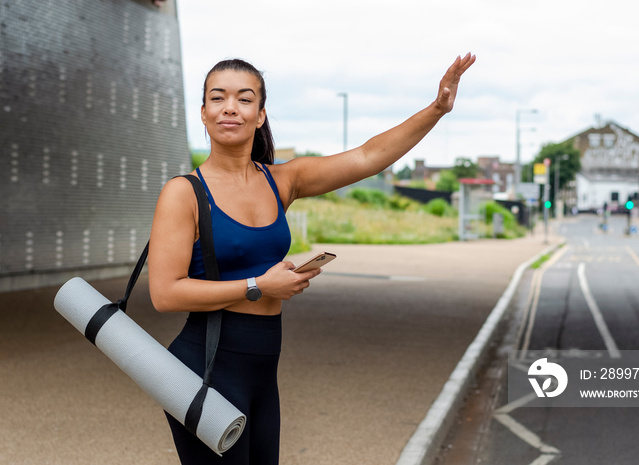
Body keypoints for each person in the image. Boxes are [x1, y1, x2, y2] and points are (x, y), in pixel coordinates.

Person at [148, 53, 476, 464]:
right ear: (203, 112)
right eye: (218, 98)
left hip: (263, 371)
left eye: (244, 99)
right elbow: (165, 293)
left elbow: (367, 156)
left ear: (261, 115)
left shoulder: (281, 180)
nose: (230, 107)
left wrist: (436, 110)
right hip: (204, 368)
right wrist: (258, 287)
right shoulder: (183, 193)